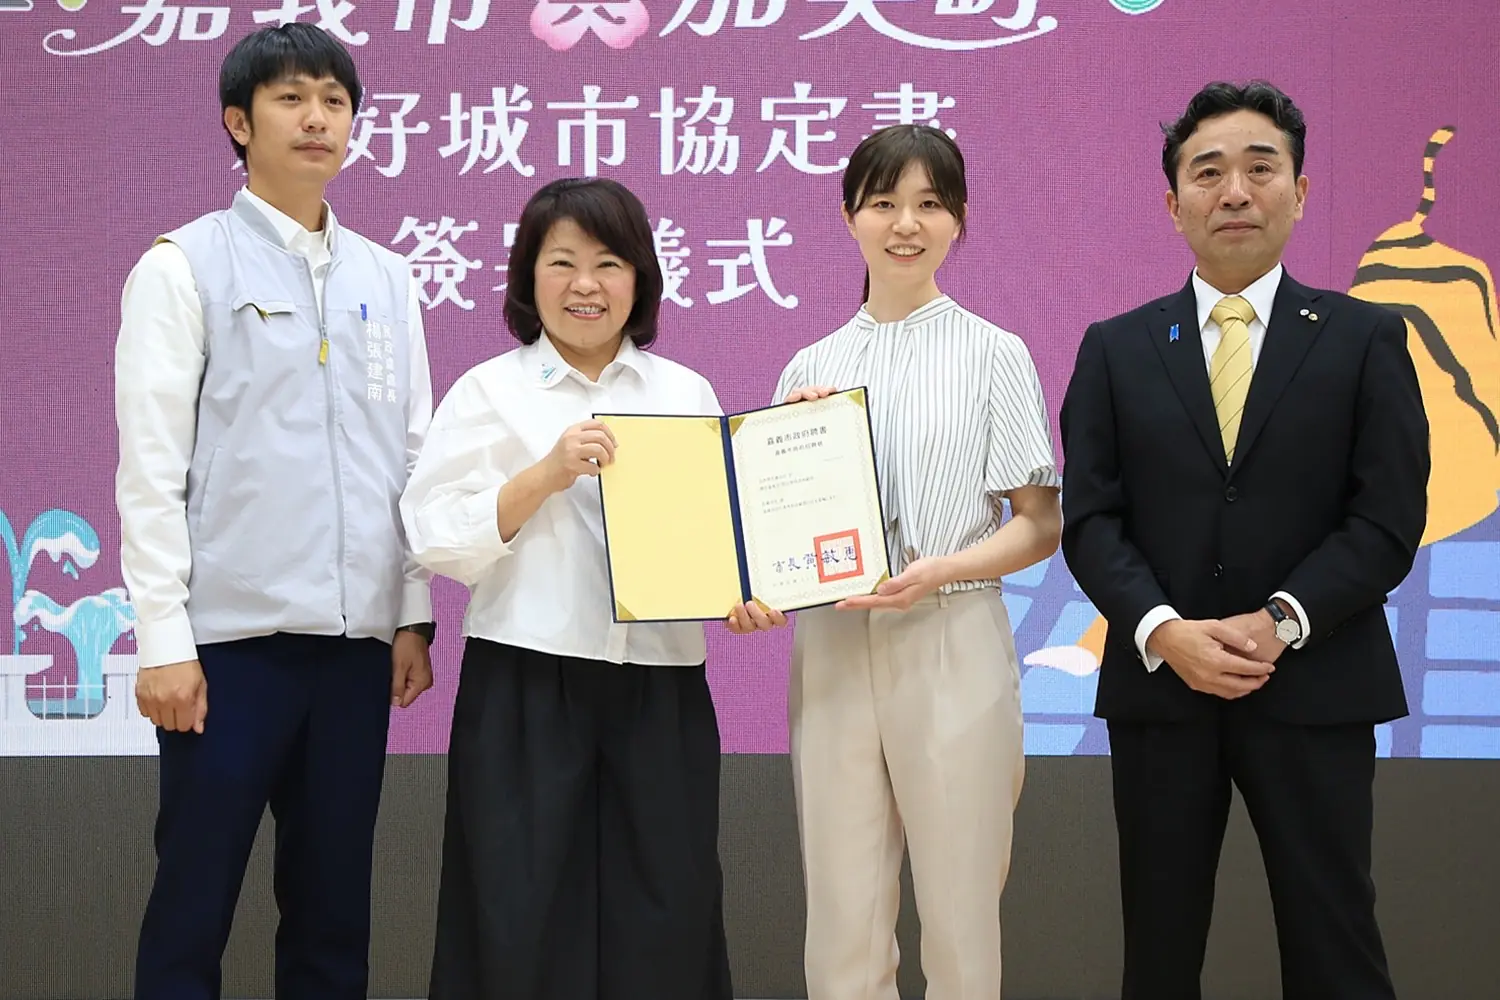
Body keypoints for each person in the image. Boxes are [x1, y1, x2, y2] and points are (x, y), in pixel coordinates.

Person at [1058, 80, 1429, 1000]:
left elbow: (1387, 520)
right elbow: (1091, 522)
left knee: (1336, 943)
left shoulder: (1366, 338)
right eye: (1208, 172)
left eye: (1261, 170)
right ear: (1172, 202)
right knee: (1159, 952)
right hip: (1163, 690)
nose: (1234, 192)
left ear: (1299, 192)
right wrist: (1165, 631)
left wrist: (1282, 619)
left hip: (1316, 683)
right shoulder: (1115, 348)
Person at [115, 23, 436, 1000]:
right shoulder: (182, 267)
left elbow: (410, 456)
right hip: (227, 649)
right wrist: (163, 640)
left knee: (333, 916)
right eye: (291, 98)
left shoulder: (389, 277)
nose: (316, 118)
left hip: (353, 650)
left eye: (335, 101)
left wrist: (411, 613)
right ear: (238, 122)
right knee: (193, 906)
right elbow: (151, 470)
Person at [400, 176, 741, 1000]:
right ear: (528, 276)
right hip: (524, 684)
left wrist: (747, 587)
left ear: (640, 279)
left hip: (660, 685)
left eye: (609, 263)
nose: (586, 284)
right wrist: (544, 474)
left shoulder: (684, 392)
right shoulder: (489, 390)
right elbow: (432, 534)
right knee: (515, 915)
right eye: (562, 262)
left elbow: (722, 537)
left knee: (667, 911)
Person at [768, 124, 1063, 1000]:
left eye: (931, 204)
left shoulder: (994, 352)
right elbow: (776, 538)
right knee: (842, 918)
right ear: (848, 215)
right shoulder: (810, 366)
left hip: (950, 630)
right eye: (884, 202)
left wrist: (939, 569)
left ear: (959, 220)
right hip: (833, 646)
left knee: (961, 914)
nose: (906, 223)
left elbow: (1040, 524)